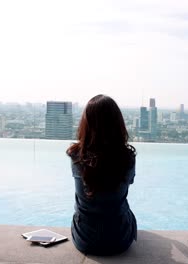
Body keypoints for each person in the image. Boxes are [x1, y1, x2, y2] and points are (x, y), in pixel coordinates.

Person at [66, 94, 137, 255]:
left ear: (86, 123)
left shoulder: (76, 155)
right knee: (125, 209)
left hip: (85, 239)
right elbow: (129, 182)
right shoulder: (127, 157)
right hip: (119, 239)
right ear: (118, 123)